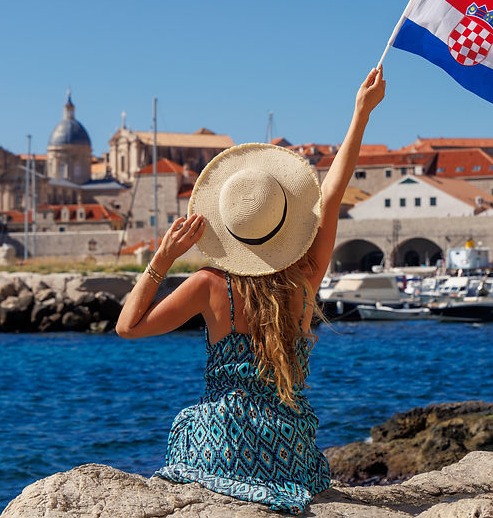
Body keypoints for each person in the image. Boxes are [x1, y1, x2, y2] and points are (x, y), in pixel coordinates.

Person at [116, 66, 385, 514]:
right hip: (288, 448)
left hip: (220, 442)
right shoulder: (303, 278)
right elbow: (333, 194)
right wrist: (360, 115)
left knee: (185, 424)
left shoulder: (208, 284)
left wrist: (161, 261)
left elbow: (127, 328)